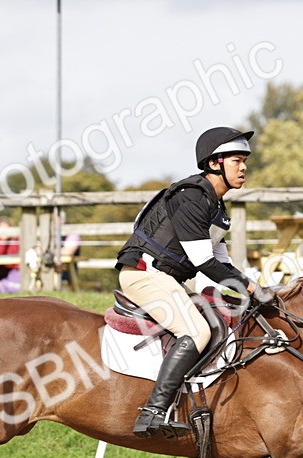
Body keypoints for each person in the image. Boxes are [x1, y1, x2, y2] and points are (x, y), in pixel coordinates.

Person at [115, 126, 275, 439]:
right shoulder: (191, 198)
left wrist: (252, 289)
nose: (244, 167)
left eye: (245, 161)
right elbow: (204, 263)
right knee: (196, 331)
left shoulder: (216, 208)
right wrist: (252, 289)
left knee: (221, 316)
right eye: (237, 161)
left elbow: (222, 263)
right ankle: (152, 412)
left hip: (167, 279)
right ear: (215, 163)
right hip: (144, 274)